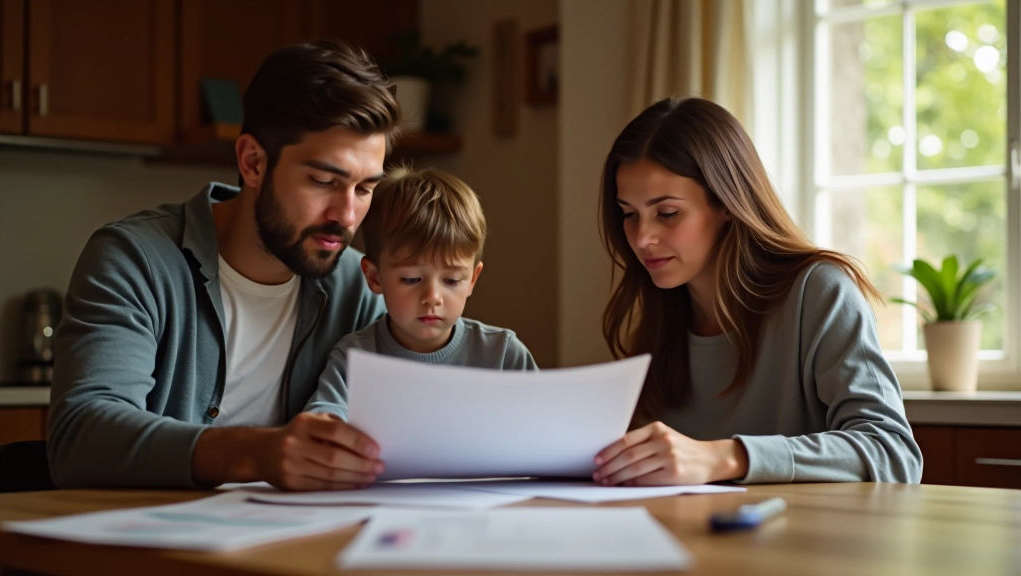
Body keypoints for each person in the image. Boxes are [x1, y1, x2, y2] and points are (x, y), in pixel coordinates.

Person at [48, 41, 400, 490]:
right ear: (253, 162)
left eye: (365, 189)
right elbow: (80, 437)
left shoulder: (360, 286)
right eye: (323, 181)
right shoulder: (134, 259)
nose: (346, 215)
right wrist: (261, 453)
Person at [591, 97, 922, 486]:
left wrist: (730, 457)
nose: (643, 238)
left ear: (727, 203)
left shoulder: (819, 291)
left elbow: (894, 454)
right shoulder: (663, 314)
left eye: (667, 213)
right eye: (629, 214)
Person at [308, 167, 538, 419]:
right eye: (412, 279)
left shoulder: (503, 355)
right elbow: (324, 418)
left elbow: (545, 422)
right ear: (374, 277)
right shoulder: (354, 359)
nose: (432, 297)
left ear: (472, 280)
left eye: (451, 280)